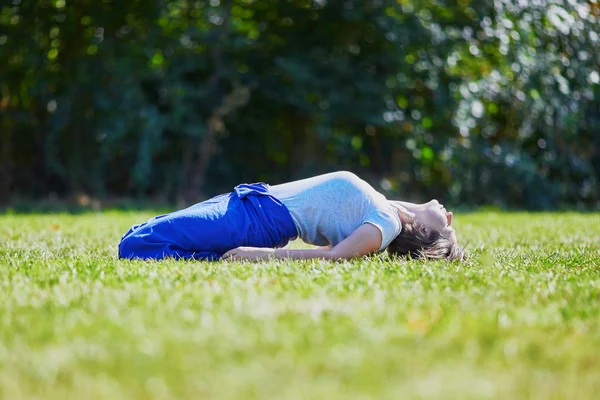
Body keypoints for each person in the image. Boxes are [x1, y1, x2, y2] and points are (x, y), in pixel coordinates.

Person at [118, 171, 464, 262]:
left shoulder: (384, 227)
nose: (448, 214)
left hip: (256, 222)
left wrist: (259, 256)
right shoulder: (391, 209)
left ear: (426, 233)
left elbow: (333, 257)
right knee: (142, 232)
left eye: (447, 226)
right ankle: (203, 255)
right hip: (249, 199)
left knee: (134, 245)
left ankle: (208, 259)